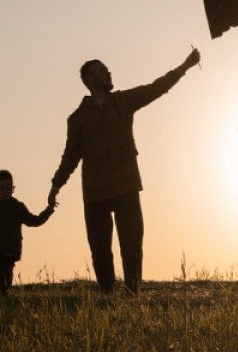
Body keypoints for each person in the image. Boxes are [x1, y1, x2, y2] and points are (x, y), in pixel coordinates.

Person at [48, 49, 200, 292]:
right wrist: (56, 184)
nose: (108, 72)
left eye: (106, 69)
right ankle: (107, 296)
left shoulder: (123, 101)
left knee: (131, 244)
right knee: (100, 248)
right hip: (95, 191)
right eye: (101, 70)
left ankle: (132, 293)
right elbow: (71, 156)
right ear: (89, 80)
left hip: (126, 185)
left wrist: (184, 66)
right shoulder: (77, 119)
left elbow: (155, 88)